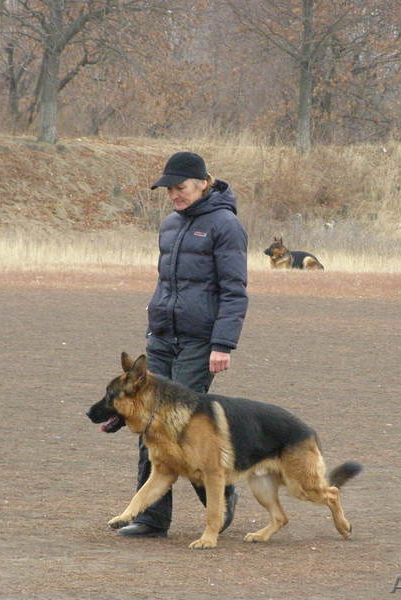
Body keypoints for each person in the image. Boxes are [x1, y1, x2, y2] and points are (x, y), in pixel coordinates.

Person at [117, 151, 249, 538]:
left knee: (183, 427)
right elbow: (167, 284)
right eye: (169, 189)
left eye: (181, 187)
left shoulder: (226, 225)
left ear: (203, 183)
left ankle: (220, 499)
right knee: (147, 425)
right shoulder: (171, 225)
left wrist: (222, 344)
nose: (174, 194)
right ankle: (152, 518)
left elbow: (234, 291)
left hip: (199, 342)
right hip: (161, 340)